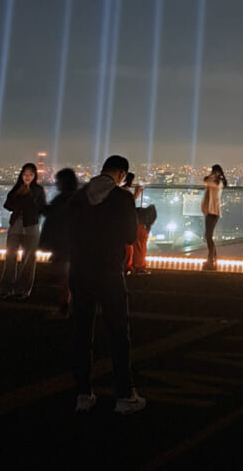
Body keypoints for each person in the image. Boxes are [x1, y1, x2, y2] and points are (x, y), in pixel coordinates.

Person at [68, 154, 146, 414]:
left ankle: (83, 394)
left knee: (81, 333)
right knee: (118, 333)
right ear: (122, 174)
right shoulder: (122, 198)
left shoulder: (79, 195)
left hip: (79, 270)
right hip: (109, 271)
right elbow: (130, 236)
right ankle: (124, 395)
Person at [0, 162, 46, 300]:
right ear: (21, 175)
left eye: (31, 174)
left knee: (28, 260)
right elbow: (8, 205)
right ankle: (7, 288)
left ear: (35, 176)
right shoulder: (17, 188)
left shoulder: (38, 190)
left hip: (31, 226)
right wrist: (18, 195)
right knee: (10, 258)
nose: (27, 177)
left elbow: (41, 207)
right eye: (25, 174)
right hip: (15, 226)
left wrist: (29, 195)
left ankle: (22, 290)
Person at [39, 167, 78, 317]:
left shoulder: (63, 199)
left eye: (58, 181)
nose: (56, 184)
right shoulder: (76, 198)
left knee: (64, 278)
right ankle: (67, 306)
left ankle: (64, 307)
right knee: (66, 277)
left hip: (63, 244)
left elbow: (52, 214)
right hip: (71, 243)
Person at [202, 164, 227, 270]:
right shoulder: (217, 181)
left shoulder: (218, 183)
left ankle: (211, 259)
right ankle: (213, 258)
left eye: (214, 171)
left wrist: (213, 176)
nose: (213, 173)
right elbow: (206, 180)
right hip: (210, 212)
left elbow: (206, 181)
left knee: (208, 236)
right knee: (208, 236)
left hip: (213, 212)